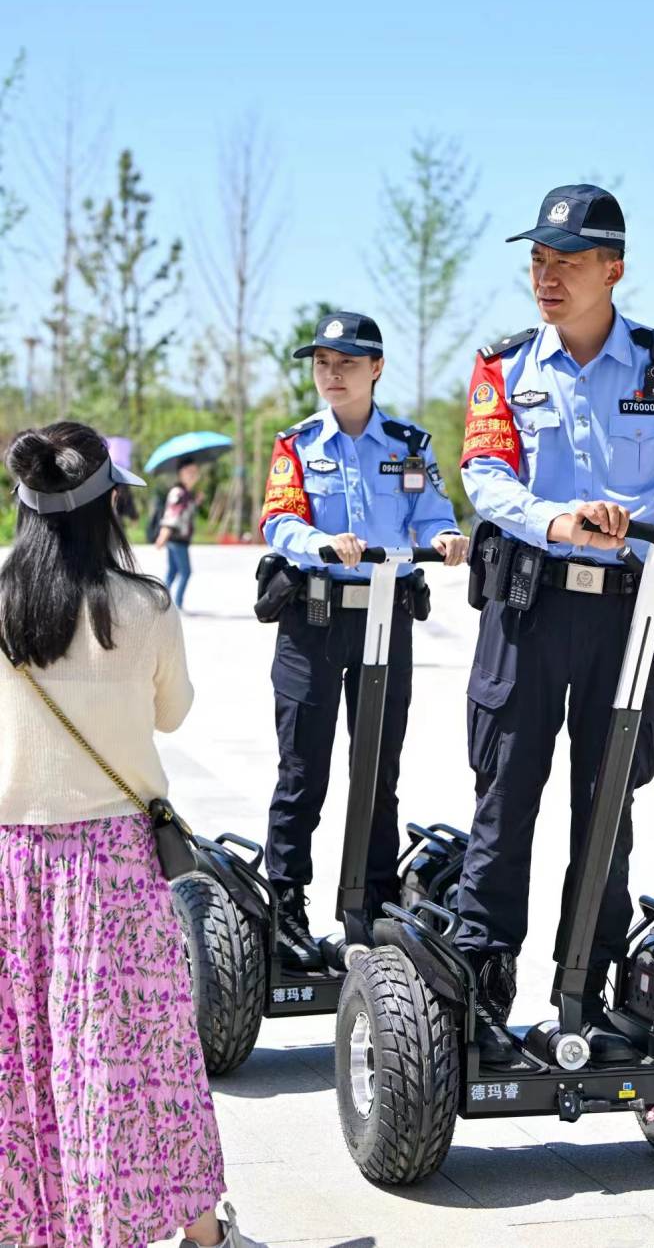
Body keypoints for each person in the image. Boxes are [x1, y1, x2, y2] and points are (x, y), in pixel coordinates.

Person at [455, 184, 654, 1064]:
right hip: (530, 604)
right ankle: (479, 989)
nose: (545, 277)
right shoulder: (503, 367)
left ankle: (583, 993)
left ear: (613, 270)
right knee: (506, 794)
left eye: (567, 262)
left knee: (606, 801)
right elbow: (486, 476)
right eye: (537, 260)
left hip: (630, 614)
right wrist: (557, 519)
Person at [0, 422, 265, 1248]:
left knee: (26, 1053)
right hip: (114, 861)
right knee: (149, 1056)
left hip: (14, 860)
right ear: (105, 506)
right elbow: (172, 711)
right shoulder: (145, 606)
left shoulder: (2, 602)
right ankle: (202, 1236)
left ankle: (35, 1227)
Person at [260, 311, 467, 968]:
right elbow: (279, 519)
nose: (332, 374)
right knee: (303, 770)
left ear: (376, 368)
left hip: (386, 618)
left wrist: (444, 535)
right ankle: (287, 907)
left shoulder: (407, 445)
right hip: (314, 621)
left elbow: (430, 511)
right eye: (322, 363)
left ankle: (373, 904)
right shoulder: (297, 445)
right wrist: (319, 541)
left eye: (346, 363)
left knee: (378, 769)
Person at [156, 456, 201, 609]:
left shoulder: (186, 493)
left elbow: (185, 513)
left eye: (195, 472)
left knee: (173, 571)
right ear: (181, 473)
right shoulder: (178, 492)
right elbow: (172, 514)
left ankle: (162, 603)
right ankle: (176, 604)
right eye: (189, 472)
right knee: (185, 572)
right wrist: (164, 534)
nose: (193, 475)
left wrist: (196, 501)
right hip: (176, 538)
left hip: (179, 538)